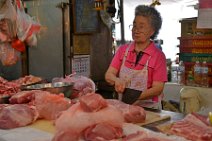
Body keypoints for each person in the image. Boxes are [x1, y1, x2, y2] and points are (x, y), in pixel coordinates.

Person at [105, 5, 167, 109]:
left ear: (152, 31)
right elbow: (109, 75)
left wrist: (136, 97)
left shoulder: (158, 56)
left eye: (141, 27)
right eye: (134, 26)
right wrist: (117, 80)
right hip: (124, 107)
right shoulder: (123, 50)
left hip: (149, 109)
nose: (136, 30)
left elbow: (158, 88)